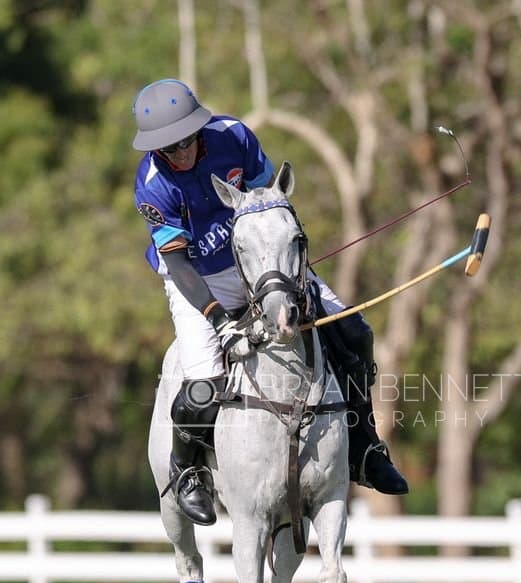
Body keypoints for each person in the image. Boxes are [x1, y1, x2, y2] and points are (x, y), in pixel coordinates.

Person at [131, 78, 408, 525]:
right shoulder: (153, 186)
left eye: (186, 141)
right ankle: (188, 474)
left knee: (353, 333)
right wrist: (218, 319)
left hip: (262, 264)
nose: (180, 153)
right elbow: (179, 266)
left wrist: (286, 265)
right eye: (169, 147)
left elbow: (274, 203)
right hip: (200, 278)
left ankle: (366, 447)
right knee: (202, 386)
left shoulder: (234, 136)